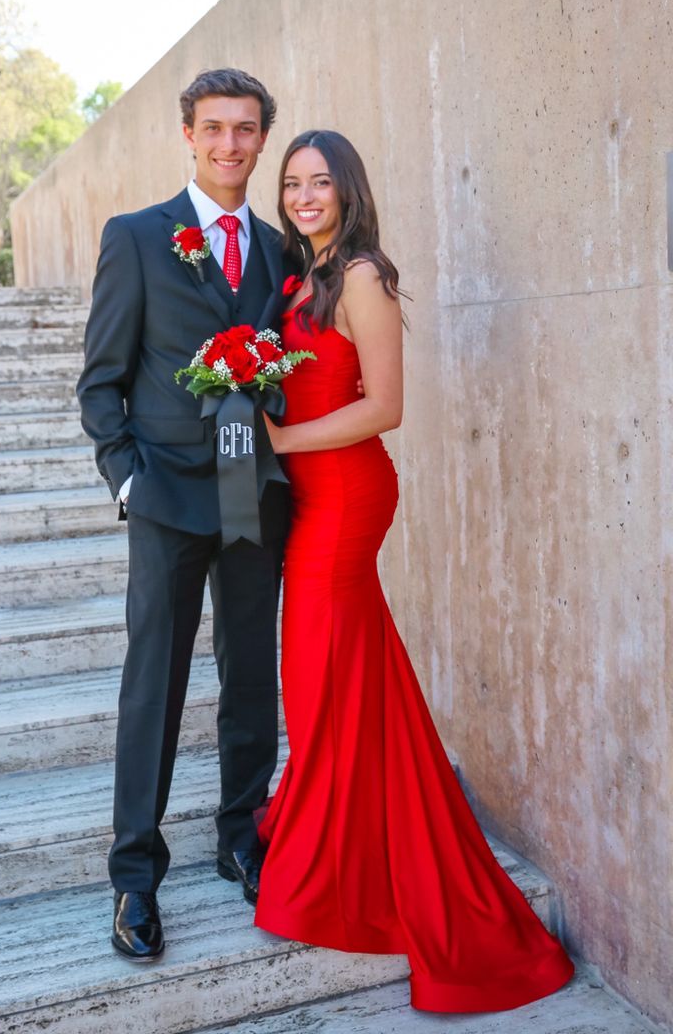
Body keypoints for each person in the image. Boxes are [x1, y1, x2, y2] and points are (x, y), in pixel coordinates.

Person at [254, 130, 575, 1012]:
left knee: (321, 672)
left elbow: (383, 409)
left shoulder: (361, 276)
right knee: (342, 677)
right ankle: (344, 836)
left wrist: (280, 437)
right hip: (308, 498)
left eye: (320, 182)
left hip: (348, 498)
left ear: (348, 190)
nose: (304, 195)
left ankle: (334, 871)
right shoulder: (298, 277)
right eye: (293, 183)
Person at [77, 68, 291, 961]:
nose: (231, 145)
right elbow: (100, 382)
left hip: (253, 494)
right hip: (165, 494)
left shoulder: (283, 250)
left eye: (246, 129)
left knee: (250, 675)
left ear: (260, 138)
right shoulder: (136, 237)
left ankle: (240, 837)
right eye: (215, 128)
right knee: (153, 685)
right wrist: (126, 478)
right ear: (188, 135)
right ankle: (135, 876)